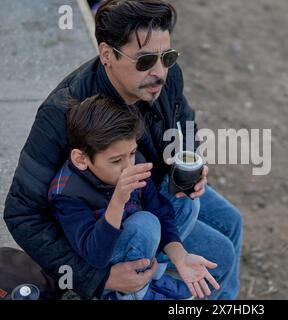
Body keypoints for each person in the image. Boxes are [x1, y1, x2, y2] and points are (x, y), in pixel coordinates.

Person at [4, 0, 242, 299]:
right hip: (105, 219)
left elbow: (185, 122)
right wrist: (96, 277)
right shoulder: (61, 113)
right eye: (144, 61)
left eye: (167, 56)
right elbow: (21, 213)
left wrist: (192, 162)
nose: (160, 72)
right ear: (107, 54)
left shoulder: (167, 76)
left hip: (154, 189)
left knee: (232, 221)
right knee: (222, 255)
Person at [48, 94, 219, 299]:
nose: (129, 166)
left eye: (132, 153)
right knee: (145, 223)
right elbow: (95, 255)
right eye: (116, 160)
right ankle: (132, 291)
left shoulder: (132, 160)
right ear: (81, 159)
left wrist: (180, 256)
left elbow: (159, 209)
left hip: (138, 242)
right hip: (106, 259)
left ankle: (153, 275)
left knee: (186, 204)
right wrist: (118, 200)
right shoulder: (68, 194)